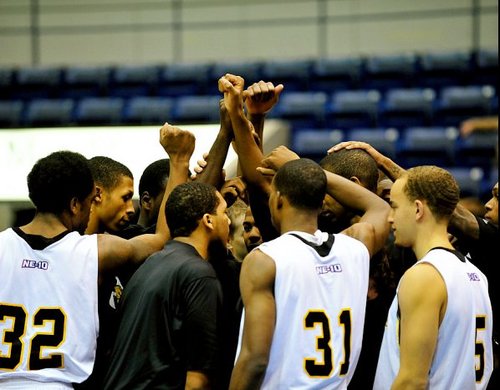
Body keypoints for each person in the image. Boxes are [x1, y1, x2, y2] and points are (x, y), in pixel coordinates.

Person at [0, 124, 187, 388]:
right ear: (75, 204)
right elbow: (161, 240)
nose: (90, 212)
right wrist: (179, 161)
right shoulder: (95, 250)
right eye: (89, 202)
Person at [230, 157, 390, 389]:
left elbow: (255, 359)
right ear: (321, 201)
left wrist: (309, 172)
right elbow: (379, 207)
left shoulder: (265, 259)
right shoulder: (355, 246)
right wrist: (314, 175)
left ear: (278, 199)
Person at [373, 166, 493, 389]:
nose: (390, 218)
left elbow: (412, 381)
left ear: (418, 209)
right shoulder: (476, 274)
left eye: (395, 207)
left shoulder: (425, 276)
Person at [103, 181, 230, 390]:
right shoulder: (198, 273)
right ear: (208, 220)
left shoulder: (149, 265)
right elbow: (197, 380)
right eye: (224, 213)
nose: (228, 221)